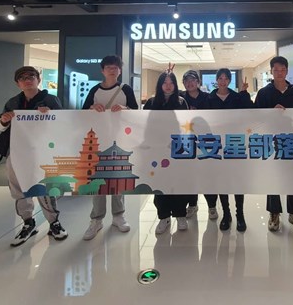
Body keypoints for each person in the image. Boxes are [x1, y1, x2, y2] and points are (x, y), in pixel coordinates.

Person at [0, 66, 67, 246]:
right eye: (23, 78)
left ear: (38, 79)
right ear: (17, 83)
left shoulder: (50, 99)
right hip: (16, 152)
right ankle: (28, 222)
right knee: (19, 188)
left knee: (44, 186)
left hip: (42, 151)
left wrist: (50, 114)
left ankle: (54, 222)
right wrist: (4, 120)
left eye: (31, 76)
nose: (27, 80)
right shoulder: (13, 102)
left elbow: (63, 123)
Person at [81, 55, 139, 241]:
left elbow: (136, 112)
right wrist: (92, 107)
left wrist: (124, 108)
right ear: (102, 70)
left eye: (115, 67)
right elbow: (82, 112)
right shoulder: (95, 90)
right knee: (98, 180)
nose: (112, 70)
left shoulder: (125, 89)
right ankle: (96, 219)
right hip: (98, 140)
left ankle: (118, 216)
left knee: (117, 178)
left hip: (120, 139)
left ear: (120, 70)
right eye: (108, 67)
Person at [255, 56, 293, 232]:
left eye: (282, 69)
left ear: (287, 71)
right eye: (276, 69)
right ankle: (274, 212)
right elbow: (256, 118)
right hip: (271, 140)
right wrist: (271, 113)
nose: (279, 73)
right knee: (273, 177)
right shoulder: (264, 93)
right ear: (271, 71)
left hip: (291, 140)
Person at [204, 68, 253, 232]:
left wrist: (245, 93)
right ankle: (226, 214)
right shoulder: (208, 99)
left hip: (235, 144)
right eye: (220, 78)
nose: (223, 81)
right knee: (222, 181)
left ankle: (240, 214)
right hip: (216, 145)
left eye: (226, 78)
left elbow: (251, 111)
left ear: (229, 81)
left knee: (237, 180)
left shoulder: (237, 97)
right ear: (216, 80)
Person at [144, 71, 190, 234]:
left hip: (176, 149)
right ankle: (163, 217)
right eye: (165, 82)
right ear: (160, 85)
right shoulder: (151, 103)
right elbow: (144, 125)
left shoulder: (181, 102)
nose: (168, 86)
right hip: (157, 151)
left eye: (171, 82)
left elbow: (186, 126)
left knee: (178, 183)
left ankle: (180, 215)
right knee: (160, 184)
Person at [179, 69, 216, 221]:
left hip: (205, 141)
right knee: (190, 175)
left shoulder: (208, 97)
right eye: (186, 81)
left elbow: (216, 116)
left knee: (207, 174)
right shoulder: (180, 98)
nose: (190, 83)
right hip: (186, 142)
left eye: (193, 80)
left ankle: (212, 206)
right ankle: (192, 204)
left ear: (198, 82)